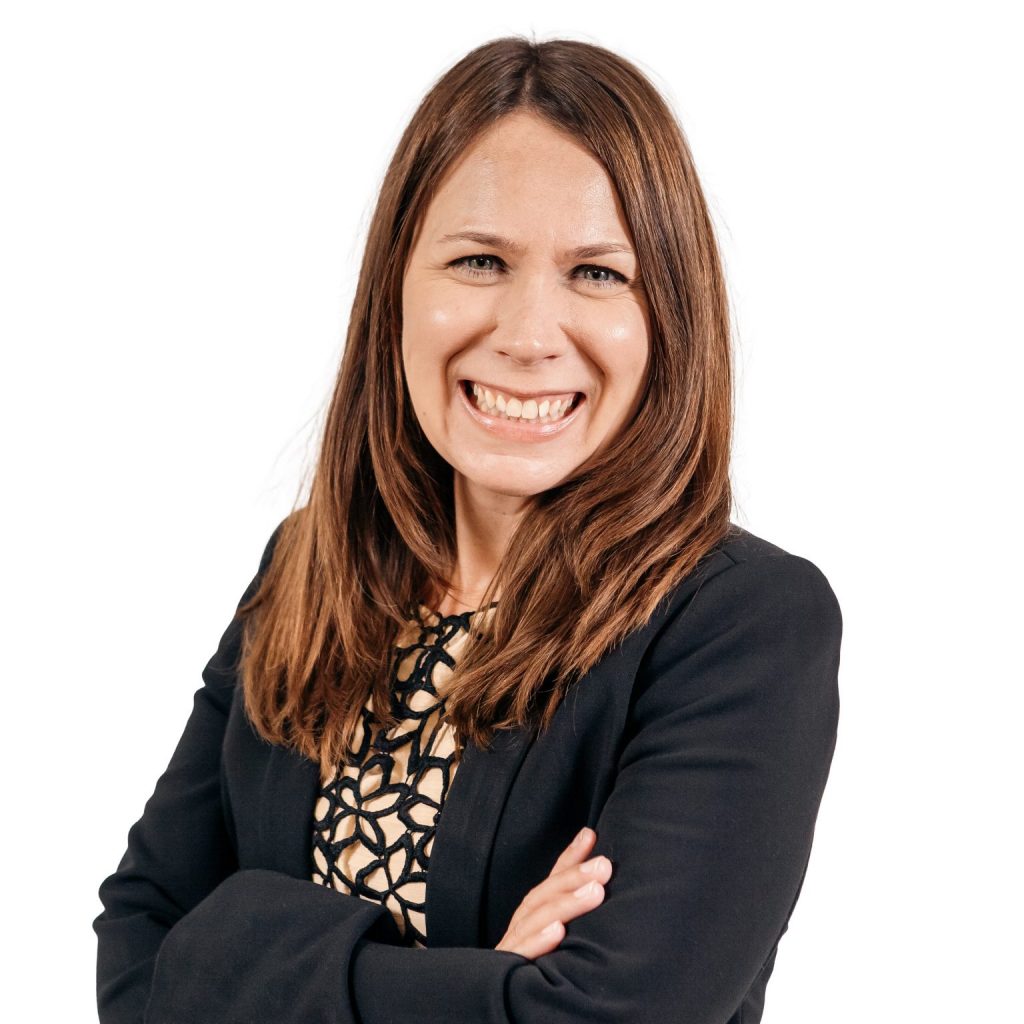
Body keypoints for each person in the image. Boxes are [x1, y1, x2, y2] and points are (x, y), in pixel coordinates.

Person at [93, 35, 842, 1024]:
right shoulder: (306, 569)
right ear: (397, 289)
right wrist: (483, 979)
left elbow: (607, 1018)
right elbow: (139, 955)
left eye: (597, 274)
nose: (530, 334)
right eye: (480, 260)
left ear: (667, 313)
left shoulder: (738, 624)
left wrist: (240, 944)